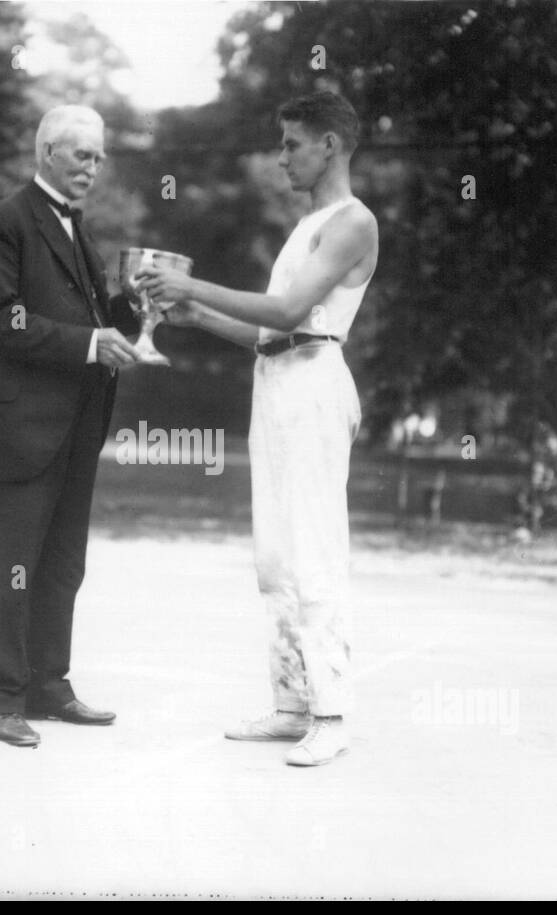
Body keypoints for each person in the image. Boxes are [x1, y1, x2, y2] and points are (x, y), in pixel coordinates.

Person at [140, 92, 378, 767]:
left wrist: (189, 287)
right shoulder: (308, 228)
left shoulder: (352, 223)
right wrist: (200, 318)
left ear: (329, 145)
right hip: (276, 382)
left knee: (314, 550)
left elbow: (292, 307)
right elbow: (270, 329)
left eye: (292, 144)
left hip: (314, 387)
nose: (281, 158)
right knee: (275, 557)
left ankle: (331, 714)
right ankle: (293, 704)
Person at [0, 105, 142, 748]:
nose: (93, 168)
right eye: (82, 155)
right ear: (46, 153)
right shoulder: (4, 222)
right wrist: (93, 343)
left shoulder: (76, 228)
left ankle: (49, 685)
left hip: (78, 422)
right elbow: (2, 322)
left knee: (62, 565)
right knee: (15, 565)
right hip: (25, 427)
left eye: (99, 157)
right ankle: (2, 696)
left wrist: (133, 306)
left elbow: (92, 320)